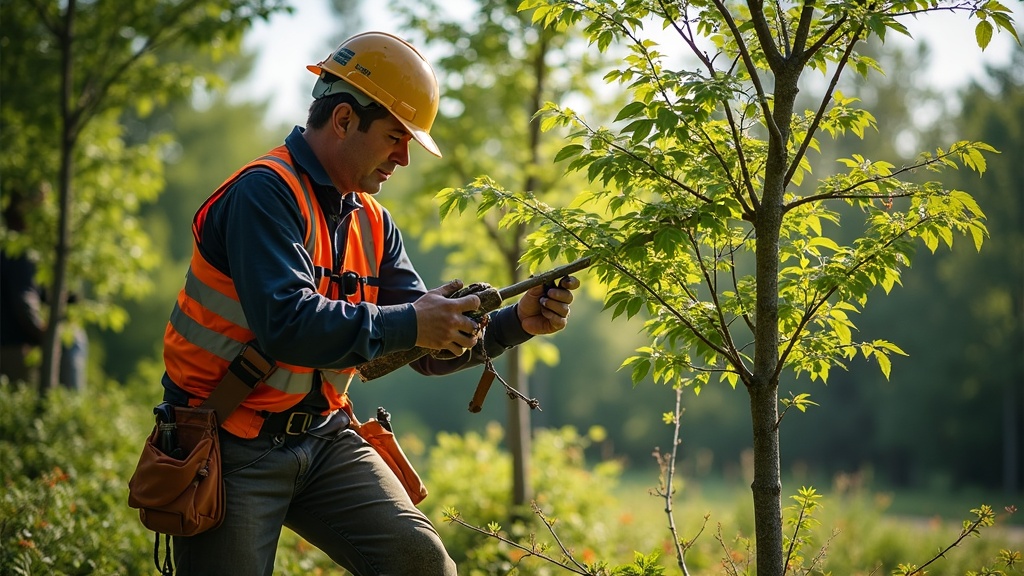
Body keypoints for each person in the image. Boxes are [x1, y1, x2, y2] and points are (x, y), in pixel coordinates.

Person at [158, 31, 580, 575]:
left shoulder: (374, 222)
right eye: (395, 137)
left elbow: (423, 345)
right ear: (342, 121)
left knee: (424, 566)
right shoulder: (264, 193)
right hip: (226, 443)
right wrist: (413, 321)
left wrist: (513, 323)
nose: (404, 158)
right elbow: (288, 323)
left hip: (324, 436)